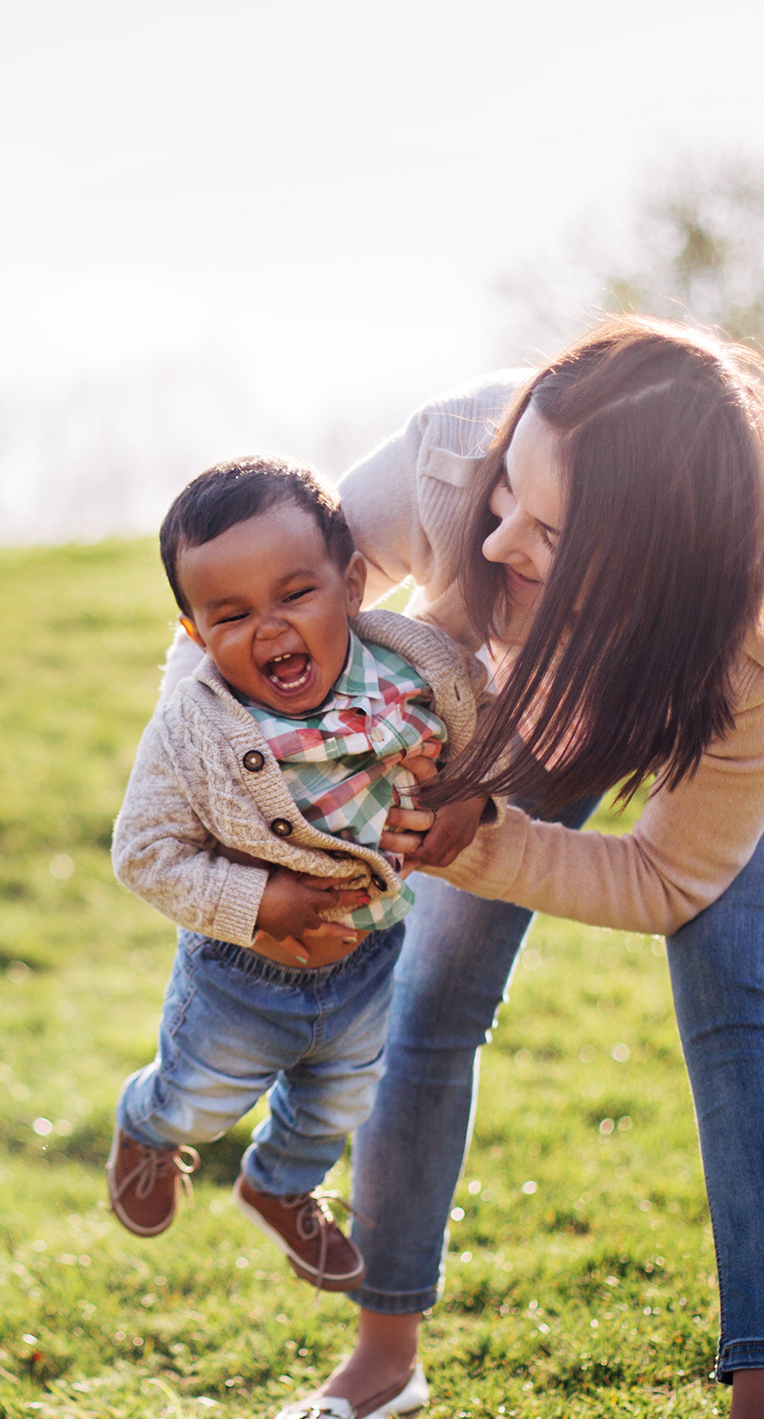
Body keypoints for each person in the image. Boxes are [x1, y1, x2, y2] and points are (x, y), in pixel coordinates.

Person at [236, 318, 764, 1419]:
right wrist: (236, 760)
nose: (492, 539)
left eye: (545, 532)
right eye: (506, 492)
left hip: (733, 716)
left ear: (649, 554)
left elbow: (665, 878)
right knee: (431, 993)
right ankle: (382, 1354)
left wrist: (472, 835)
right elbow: (268, 605)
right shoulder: (449, 457)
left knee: (737, 986)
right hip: (529, 693)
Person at [107, 456, 484, 1297]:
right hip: (241, 977)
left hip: (369, 961)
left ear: (352, 583)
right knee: (197, 1100)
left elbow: (476, 726)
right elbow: (142, 852)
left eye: (294, 595)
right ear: (196, 633)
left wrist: (470, 795)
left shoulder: (417, 667)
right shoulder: (193, 731)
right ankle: (146, 1125)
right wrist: (261, 901)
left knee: (332, 1108)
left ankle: (277, 1185)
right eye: (232, 614)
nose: (269, 628)